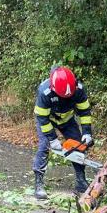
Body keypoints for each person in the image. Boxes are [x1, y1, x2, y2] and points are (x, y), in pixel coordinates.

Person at [32, 66, 94, 199]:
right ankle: (39, 183)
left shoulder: (79, 90)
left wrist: (87, 132)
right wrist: (53, 139)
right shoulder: (45, 92)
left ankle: (80, 181)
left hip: (67, 119)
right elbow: (42, 118)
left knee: (78, 146)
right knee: (44, 146)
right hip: (48, 120)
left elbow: (84, 112)